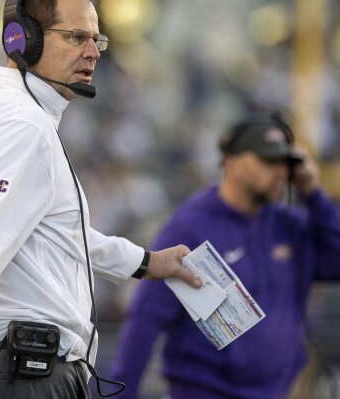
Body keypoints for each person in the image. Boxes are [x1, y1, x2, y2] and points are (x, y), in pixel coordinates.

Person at [0, 1, 201, 398]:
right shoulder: (22, 125)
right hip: (16, 373)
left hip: (0, 368)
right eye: (76, 37)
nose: (93, 52)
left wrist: (146, 263)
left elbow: (60, 234)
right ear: (23, 39)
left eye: (96, 39)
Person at [109, 113, 340, 399]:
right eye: (269, 161)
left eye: (286, 164)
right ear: (231, 164)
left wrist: (314, 192)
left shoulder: (289, 224)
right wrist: (121, 393)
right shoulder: (191, 227)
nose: (281, 172)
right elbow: (146, 319)